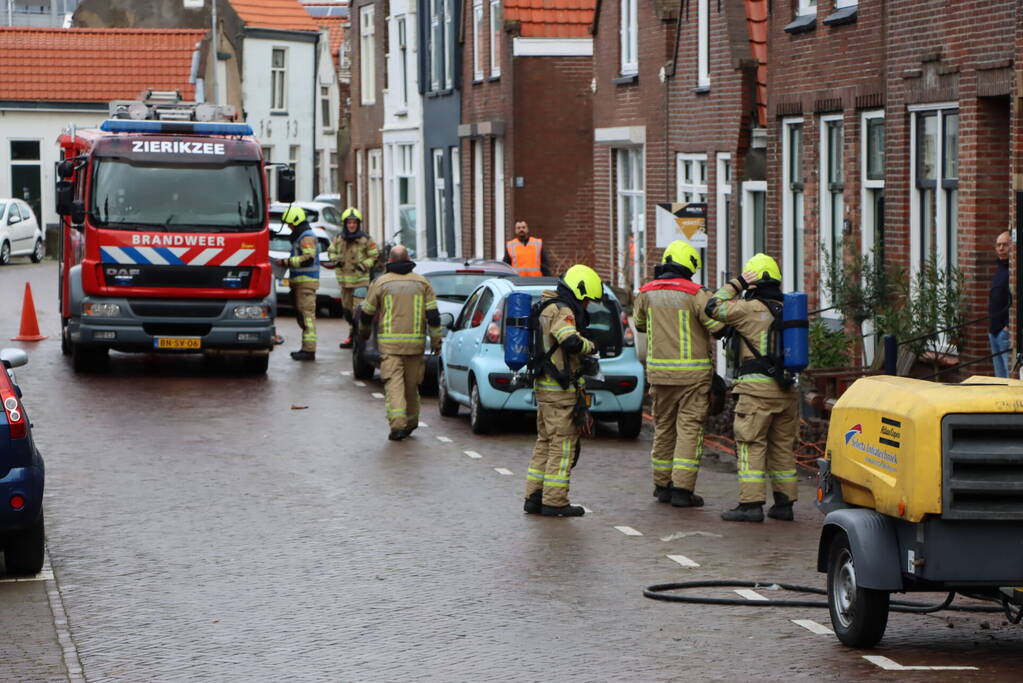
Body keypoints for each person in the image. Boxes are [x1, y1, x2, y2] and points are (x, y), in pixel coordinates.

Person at [705, 253, 798, 522]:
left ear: (753, 285)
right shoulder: (790, 310)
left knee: (750, 444)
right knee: (781, 446)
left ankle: (750, 505)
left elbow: (712, 306)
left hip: (756, 391)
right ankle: (784, 504)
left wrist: (736, 284)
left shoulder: (747, 309)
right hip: (788, 390)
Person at [633, 241, 725, 508]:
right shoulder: (696, 293)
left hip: (659, 376)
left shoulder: (646, 292)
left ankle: (662, 486)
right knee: (688, 431)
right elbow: (717, 327)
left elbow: (640, 324)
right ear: (691, 267)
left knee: (663, 428)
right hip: (693, 378)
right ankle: (682, 491)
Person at [523, 264, 603, 517]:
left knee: (545, 443)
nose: (588, 305)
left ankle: (534, 496)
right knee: (563, 446)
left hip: (546, 390)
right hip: (559, 392)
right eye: (588, 300)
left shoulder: (545, 306)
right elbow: (569, 340)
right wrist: (590, 347)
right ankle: (555, 501)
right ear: (579, 291)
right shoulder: (562, 311)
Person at [359, 245, 443, 441]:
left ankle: (397, 425)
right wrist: (437, 342)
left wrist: (363, 335)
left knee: (394, 385)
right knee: (411, 386)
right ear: (408, 259)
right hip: (415, 346)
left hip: (390, 347)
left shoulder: (381, 284)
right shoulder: (422, 283)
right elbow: (433, 316)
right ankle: (411, 422)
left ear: (389, 261)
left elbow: (366, 313)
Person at [328, 207, 379, 349]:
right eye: (349, 223)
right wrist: (335, 260)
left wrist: (364, 265)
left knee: (359, 311)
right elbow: (331, 251)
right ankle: (352, 334)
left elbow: (374, 255)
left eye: (354, 223)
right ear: (345, 224)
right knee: (347, 311)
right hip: (344, 282)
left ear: (358, 224)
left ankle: (358, 338)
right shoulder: (339, 238)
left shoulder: (366, 239)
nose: (352, 225)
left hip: (360, 282)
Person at [274, 206, 318, 361]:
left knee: (307, 318)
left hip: (306, 284)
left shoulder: (306, 238)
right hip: (299, 284)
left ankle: (309, 350)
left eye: (290, 224)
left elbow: (308, 258)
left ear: (296, 221)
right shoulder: (300, 236)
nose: (288, 227)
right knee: (303, 317)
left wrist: (286, 262)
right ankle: (306, 348)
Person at [989, 230, 1012, 378]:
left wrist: (1007, 326)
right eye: (998, 245)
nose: (1001, 248)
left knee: (1009, 376)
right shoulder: (1000, 269)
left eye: (1005, 245)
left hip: (1005, 332)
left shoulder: (1013, 271)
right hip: (994, 331)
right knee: (1000, 377)